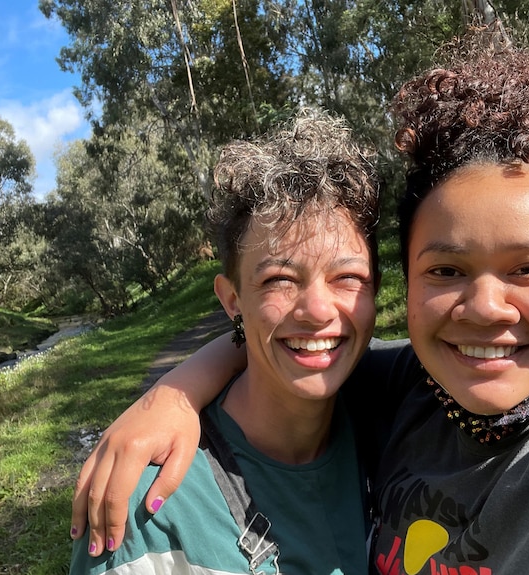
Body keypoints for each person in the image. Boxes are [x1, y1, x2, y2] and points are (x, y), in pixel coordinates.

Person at [71, 29, 529, 574]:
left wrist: (173, 390)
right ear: (410, 288)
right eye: (447, 269)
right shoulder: (410, 391)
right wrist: (174, 394)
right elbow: (299, 354)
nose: (488, 306)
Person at [70, 109, 382, 574]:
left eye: (348, 277)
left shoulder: (398, 419)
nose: (318, 310)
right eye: (279, 279)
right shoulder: (149, 506)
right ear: (232, 300)